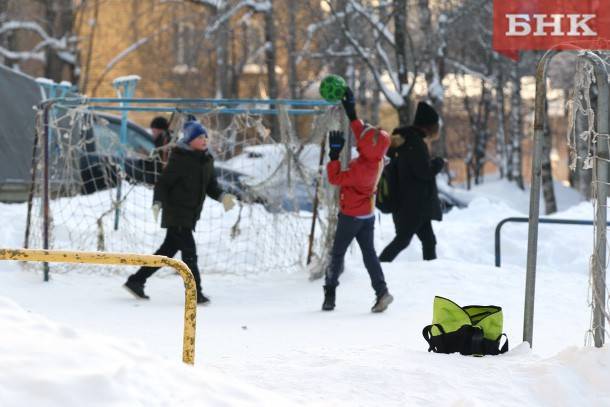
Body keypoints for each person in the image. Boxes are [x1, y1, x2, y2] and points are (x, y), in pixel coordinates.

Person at [124, 121, 237, 304]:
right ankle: (195, 293)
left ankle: (136, 280)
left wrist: (222, 197)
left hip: (190, 214)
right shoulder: (180, 159)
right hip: (176, 213)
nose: (204, 140)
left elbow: (211, 186)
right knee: (189, 254)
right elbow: (163, 184)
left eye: (205, 137)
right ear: (190, 140)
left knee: (167, 251)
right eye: (199, 137)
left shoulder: (207, 160)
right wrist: (157, 203)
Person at [323, 87, 394, 313]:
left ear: (365, 147)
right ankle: (382, 292)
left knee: (337, 254)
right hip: (367, 215)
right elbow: (365, 135)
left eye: (361, 139)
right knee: (369, 255)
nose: (359, 138)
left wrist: (333, 157)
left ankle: (330, 295)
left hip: (351, 216)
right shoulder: (377, 158)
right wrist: (352, 112)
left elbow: (335, 178)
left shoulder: (360, 169)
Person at [378, 101, 445, 263]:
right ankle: (377, 267)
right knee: (402, 240)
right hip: (412, 204)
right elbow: (424, 172)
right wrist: (438, 163)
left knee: (428, 241)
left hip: (411, 202)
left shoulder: (405, 139)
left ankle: (431, 272)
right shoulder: (414, 142)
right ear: (429, 126)